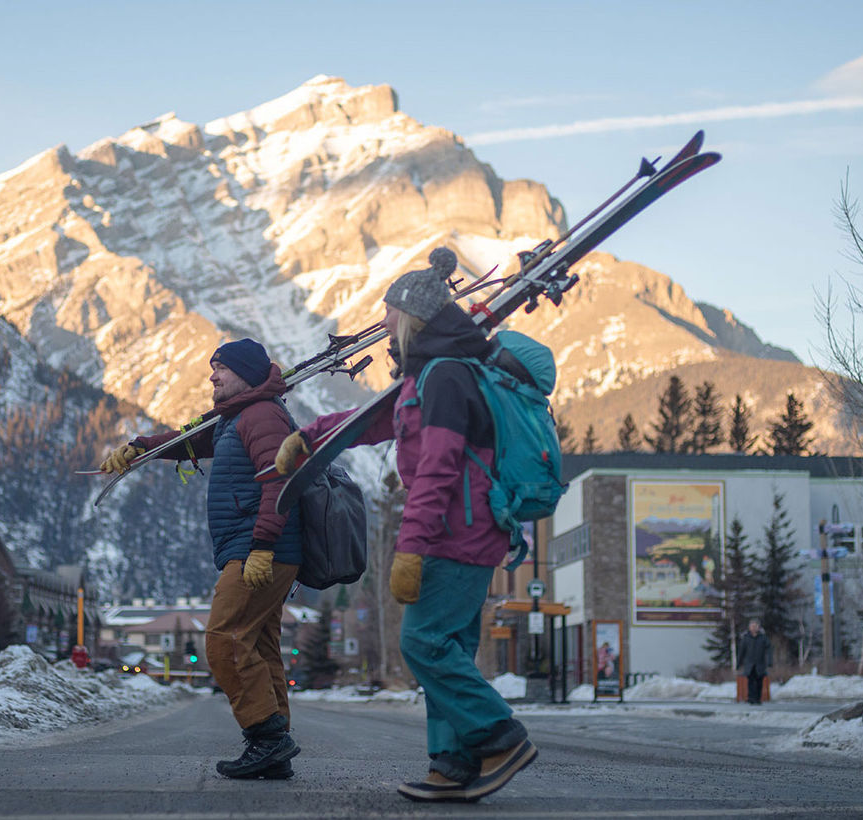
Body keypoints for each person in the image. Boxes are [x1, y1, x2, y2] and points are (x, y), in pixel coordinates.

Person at [274, 247, 537, 804]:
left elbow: (439, 470)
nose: (384, 321)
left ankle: (499, 735)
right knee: (449, 648)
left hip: (458, 533)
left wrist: (410, 548)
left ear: (412, 314)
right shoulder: (431, 372)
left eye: (390, 310)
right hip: (468, 531)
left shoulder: (444, 376)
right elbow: (374, 419)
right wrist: (311, 435)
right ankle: (454, 764)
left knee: (422, 642)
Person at [98, 338, 302, 780]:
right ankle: (274, 748)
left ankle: (267, 738)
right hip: (257, 549)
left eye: (220, 369)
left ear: (245, 374)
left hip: (258, 550)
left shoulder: (262, 415)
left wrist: (263, 546)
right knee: (258, 644)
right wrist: (140, 447)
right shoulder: (237, 417)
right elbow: (188, 438)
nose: (212, 376)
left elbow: (279, 481)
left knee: (224, 638)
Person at [738, 618, 772, 705]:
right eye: (752, 626)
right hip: (749, 664)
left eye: (755, 626)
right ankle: (751, 698)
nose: (753, 628)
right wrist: (738, 663)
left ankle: (757, 698)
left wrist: (769, 661)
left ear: (758, 627)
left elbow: (769, 650)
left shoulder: (763, 638)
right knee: (750, 681)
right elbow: (741, 651)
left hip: (760, 663)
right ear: (749, 627)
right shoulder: (746, 638)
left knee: (759, 681)